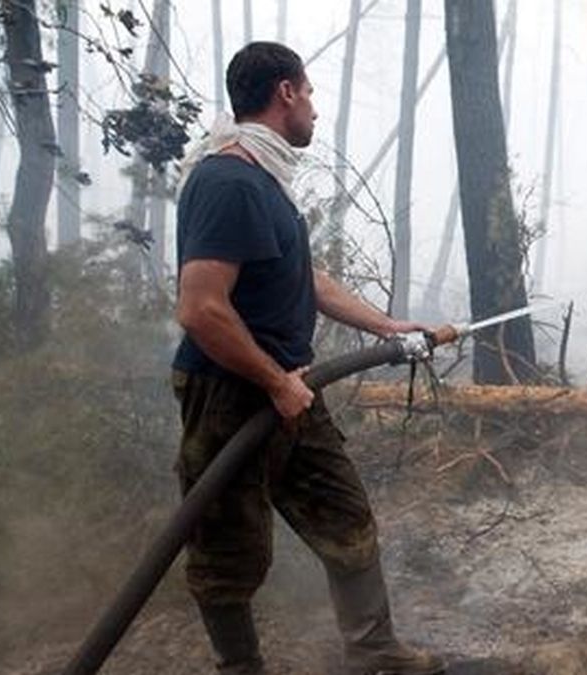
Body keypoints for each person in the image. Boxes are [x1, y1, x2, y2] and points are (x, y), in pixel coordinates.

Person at [172, 42, 445, 675]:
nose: (316, 110)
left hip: (288, 387)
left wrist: (386, 325)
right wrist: (273, 382)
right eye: (311, 93)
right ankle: (241, 669)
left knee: (344, 516)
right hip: (232, 394)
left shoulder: (263, 183)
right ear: (286, 92)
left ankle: (374, 654)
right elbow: (201, 309)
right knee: (227, 549)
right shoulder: (227, 180)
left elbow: (304, 278)